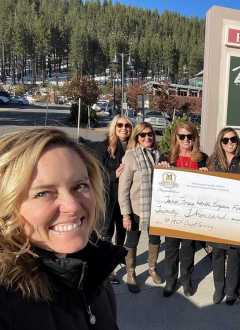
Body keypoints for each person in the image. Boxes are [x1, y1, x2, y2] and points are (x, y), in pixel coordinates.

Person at [0, 128, 126, 330]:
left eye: (80, 186)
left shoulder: (95, 271)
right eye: (43, 193)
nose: (73, 206)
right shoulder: (7, 303)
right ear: (7, 206)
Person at [207, 127, 240, 305]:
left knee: (235, 254)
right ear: (220, 143)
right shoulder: (213, 162)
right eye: (225, 140)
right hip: (218, 217)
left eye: (233, 139)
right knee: (218, 254)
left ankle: (231, 291)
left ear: (237, 141)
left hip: (238, 218)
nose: (230, 143)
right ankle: (218, 288)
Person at [159, 121, 208, 298]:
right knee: (171, 249)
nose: (186, 140)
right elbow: (158, 184)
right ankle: (171, 280)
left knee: (188, 249)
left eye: (190, 136)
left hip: (191, 212)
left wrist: (206, 174)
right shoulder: (166, 157)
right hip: (171, 212)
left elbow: (209, 187)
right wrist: (161, 170)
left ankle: (186, 280)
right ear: (176, 138)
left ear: (195, 138)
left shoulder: (202, 158)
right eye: (182, 136)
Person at [118, 122, 163, 293]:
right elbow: (123, 189)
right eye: (142, 135)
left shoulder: (158, 155)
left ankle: (152, 268)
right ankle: (131, 273)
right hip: (137, 208)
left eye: (150, 134)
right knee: (132, 241)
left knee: (155, 240)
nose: (147, 138)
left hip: (156, 208)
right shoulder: (130, 157)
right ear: (137, 137)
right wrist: (125, 215)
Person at [92, 115, 132, 284]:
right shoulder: (104, 147)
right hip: (108, 199)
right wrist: (113, 174)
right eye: (120, 125)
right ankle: (105, 271)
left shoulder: (132, 147)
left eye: (127, 125)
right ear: (114, 127)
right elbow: (96, 174)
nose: (124, 128)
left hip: (124, 200)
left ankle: (115, 261)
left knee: (121, 235)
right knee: (106, 235)